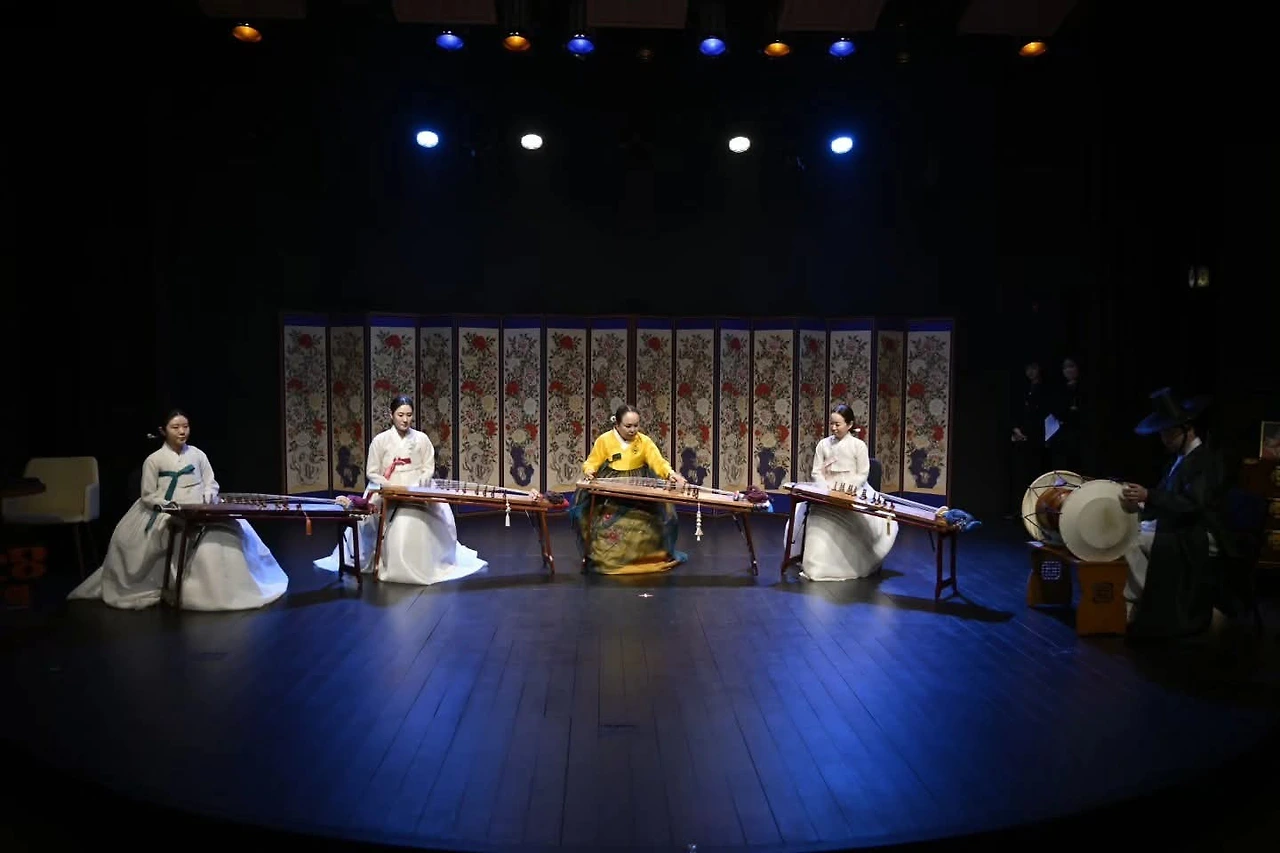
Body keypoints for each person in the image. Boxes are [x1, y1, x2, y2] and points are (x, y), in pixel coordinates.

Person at [68, 409, 288, 610]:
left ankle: (228, 590)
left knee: (227, 534)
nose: (182, 431)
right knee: (164, 537)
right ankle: (178, 587)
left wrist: (209, 494)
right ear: (163, 431)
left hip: (201, 505)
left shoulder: (198, 455)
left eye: (185, 426)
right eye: (175, 427)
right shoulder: (154, 460)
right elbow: (147, 494)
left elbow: (210, 482)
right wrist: (167, 505)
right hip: (168, 506)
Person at [315, 395, 486, 585]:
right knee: (373, 519)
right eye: (400, 415)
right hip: (387, 486)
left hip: (417, 486)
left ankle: (424, 564)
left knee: (421, 518)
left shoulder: (421, 439)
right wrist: (389, 486)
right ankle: (381, 560)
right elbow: (372, 472)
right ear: (391, 415)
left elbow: (428, 466)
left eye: (409, 415)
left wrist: (420, 482)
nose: (405, 420)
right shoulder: (380, 440)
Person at [1119, 388, 1227, 638]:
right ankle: (1146, 602)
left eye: (1169, 433)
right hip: (1179, 524)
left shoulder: (1205, 460)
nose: (1164, 439)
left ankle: (1143, 605)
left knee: (1130, 542)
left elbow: (1193, 504)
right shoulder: (1178, 458)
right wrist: (1141, 503)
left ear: (1187, 429)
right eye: (1162, 433)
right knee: (1128, 532)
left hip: (1199, 531)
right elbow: (1165, 497)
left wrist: (1149, 496)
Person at [571, 403, 688, 574]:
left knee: (653, 518)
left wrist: (670, 474)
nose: (633, 430)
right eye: (628, 426)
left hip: (637, 486)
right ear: (617, 424)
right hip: (611, 486)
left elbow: (658, 461)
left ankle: (644, 559)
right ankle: (608, 559)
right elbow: (592, 461)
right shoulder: (605, 440)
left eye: (636, 425)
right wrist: (589, 470)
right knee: (593, 518)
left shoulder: (644, 441)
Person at [788, 404, 899, 580]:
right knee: (809, 515)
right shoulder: (823, 444)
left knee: (859, 517)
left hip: (852, 489)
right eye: (832, 424)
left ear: (849, 424)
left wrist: (846, 490)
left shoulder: (858, 446)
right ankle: (812, 564)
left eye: (838, 424)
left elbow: (862, 473)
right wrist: (824, 489)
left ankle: (846, 565)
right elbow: (816, 472)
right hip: (826, 490)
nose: (833, 428)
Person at [1010, 360, 1049, 517]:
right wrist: (1015, 429)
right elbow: (1014, 411)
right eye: (1028, 369)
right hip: (1021, 437)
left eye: (1034, 368)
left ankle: (1035, 510)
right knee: (1020, 475)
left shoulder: (1045, 389)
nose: (1031, 372)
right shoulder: (1022, 390)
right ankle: (1019, 509)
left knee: (1036, 473)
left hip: (1038, 438)